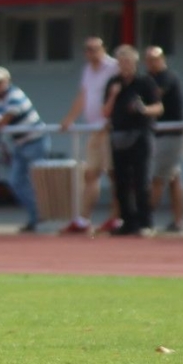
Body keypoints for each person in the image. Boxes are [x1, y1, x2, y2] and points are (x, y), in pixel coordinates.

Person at [59, 37, 121, 234]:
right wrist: (69, 118)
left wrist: (114, 119)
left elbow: (121, 93)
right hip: (94, 129)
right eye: (88, 49)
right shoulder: (87, 70)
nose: (91, 52)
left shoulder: (114, 67)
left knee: (114, 173)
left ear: (103, 49)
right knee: (91, 173)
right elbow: (83, 95)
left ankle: (116, 218)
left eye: (95, 48)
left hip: (109, 129)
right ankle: (83, 219)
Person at [103, 45, 162, 236]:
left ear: (135, 63)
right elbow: (105, 112)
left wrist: (143, 109)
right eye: (121, 62)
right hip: (119, 136)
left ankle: (145, 223)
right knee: (120, 182)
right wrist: (113, 95)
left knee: (141, 181)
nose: (124, 65)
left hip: (140, 136)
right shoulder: (113, 83)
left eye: (128, 61)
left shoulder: (145, 82)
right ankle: (127, 222)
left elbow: (158, 107)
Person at [0, 67, 49, 232]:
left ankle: (42, 217)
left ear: (7, 81)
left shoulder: (15, 95)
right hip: (20, 144)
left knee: (37, 182)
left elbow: (1, 122)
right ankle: (36, 216)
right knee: (16, 182)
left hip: (35, 142)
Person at [144, 47, 183, 233]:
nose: (151, 63)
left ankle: (145, 219)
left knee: (158, 177)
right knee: (173, 178)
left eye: (155, 59)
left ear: (162, 59)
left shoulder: (167, 77)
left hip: (172, 134)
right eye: (148, 59)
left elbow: (155, 96)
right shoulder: (148, 78)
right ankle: (178, 221)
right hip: (159, 134)